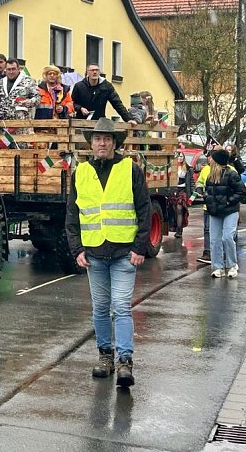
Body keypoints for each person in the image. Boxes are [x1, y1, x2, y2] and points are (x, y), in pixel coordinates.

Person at [66, 117, 151, 387]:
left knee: (122, 306)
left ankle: (125, 360)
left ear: (114, 143)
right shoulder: (80, 172)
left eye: (107, 139)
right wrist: (76, 248)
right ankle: (105, 356)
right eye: (97, 139)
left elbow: (144, 208)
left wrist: (140, 246)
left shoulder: (130, 169)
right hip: (93, 253)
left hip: (124, 252)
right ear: (91, 144)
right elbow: (72, 214)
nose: (102, 143)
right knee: (101, 308)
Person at [203, 148, 245, 279]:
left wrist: (229, 201)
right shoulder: (210, 176)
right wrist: (208, 200)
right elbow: (208, 192)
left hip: (229, 211)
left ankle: (232, 265)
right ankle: (218, 267)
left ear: (217, 162)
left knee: (227, 237)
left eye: (212, 159)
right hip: (215, 211)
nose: (209, 161)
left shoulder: (231, 174)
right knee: (214, 240)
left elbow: (241, 191)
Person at [71, 64, 137, 126]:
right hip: (81, 122)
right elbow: (73, 102)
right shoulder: (79, 86)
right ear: (87, 73)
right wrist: (80, 108)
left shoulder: (106, 86)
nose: (94, 72)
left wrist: (128, 119)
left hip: (99, 122)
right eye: (92, 70)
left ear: (99, 72)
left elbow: (117, 103)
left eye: (97, 70)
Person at [173, 151, 194, 239]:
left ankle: (179, 230)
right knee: (174, 210)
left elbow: (192, 182)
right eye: (178, 156)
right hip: (174, 190)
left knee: (179, 209)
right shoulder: (172, 167)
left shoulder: (188, 168)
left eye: (181, 156)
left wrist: (192, 196)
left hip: (183, 191)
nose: (180, 158)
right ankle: (175, 227)